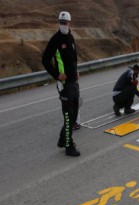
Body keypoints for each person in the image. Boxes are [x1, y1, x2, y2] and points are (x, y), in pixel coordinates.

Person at [42, 11, 81, 157]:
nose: (64, 25)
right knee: (68, 116)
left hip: (74, 83)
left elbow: (73, 57)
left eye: (66, 22)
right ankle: (69, 146)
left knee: (74, 114)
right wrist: (57, 75)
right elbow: (45, 60)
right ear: (59, 23)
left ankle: (61, 139)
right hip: (64, 85)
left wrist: (76, 71)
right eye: (61, 22)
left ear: (70, 23)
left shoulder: (70, 36)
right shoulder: (56, 39)